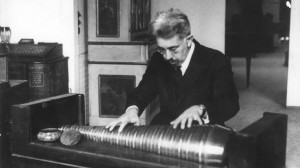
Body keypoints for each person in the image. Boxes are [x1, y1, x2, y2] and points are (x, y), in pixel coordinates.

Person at [106, 8, 239, 132]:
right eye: (162, 49)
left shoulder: (215, 60)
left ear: (188, 40)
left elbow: (230, 103)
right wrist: (132, 110)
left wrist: (201, 109)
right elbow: (142, 92)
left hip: (203, 130)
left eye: (173, 49)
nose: (168, 57)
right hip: (166, 128)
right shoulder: (158, 59)